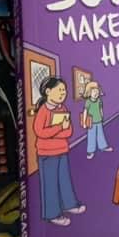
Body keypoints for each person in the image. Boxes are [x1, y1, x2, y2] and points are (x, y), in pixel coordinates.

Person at [33, 76, 84, 226]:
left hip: (62, 150)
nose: (63, 93)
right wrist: (59, 128)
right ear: (48, 91)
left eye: (64, 90)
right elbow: (40, 132)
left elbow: (68, 131)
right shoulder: (43, 110)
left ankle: (70, 204)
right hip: (47, 153)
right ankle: (52, 214)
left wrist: (55, 131)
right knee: (50, 184)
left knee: (64, 180)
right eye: (60, 90)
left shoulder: (63, 109)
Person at [81, 80, 113, 159]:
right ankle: (90, 151)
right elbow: (85, 112)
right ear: (89, 92)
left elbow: (100, 109)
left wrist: (102, 117)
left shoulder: (99, 100)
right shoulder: (88, 102)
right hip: (91, 122)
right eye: (94, 91)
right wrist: (84, 122)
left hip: (99, 121)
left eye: (97, 91)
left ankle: (103, 147)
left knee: (100, 134)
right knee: (91, 136)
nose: (96, 93)